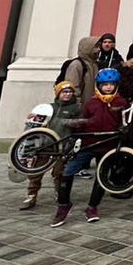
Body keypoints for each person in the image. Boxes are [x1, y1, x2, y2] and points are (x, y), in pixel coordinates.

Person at [51, 69, 128, 227]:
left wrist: (124, 131)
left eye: (111, 84)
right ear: (98, 86)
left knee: (102, 177)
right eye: (105, 85)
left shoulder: (121, 103)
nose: (108, 87)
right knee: (68, 172)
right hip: (88, 143)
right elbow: (82, 121)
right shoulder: (91, 103)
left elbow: (125, 122)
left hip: (108, 145)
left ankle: (92, 207)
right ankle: (63, 205)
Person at [21, 81, 82, 211]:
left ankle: (60, 193)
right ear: (58, 93)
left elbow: (81, 125)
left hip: (63, 146)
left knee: (59, 172)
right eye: (64, 92)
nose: (67, 94)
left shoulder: (76, 108)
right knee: (36, 171)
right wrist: (32, 119)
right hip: (45, 145)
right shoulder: (49, 108)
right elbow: (36, 124)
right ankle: (31, 195)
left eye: (70, 92)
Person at [64, 35, 101, 105]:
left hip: (91, 106)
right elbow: (73, 87)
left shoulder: (95, 64)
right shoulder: (77, 65)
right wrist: (77, 105)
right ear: (87, 48)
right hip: (80, 106)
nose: (99, 49)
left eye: (99, 46)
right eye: (96, 47)